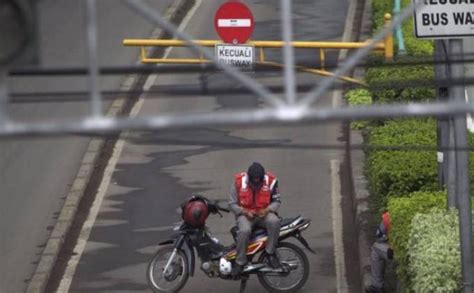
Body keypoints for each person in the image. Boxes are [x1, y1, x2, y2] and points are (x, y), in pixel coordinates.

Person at [229, 162, 282, 276]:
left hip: (264, 213)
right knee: (244, 231)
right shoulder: (238, 182)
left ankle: (270, 253)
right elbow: (232, 204)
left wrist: (267, 210)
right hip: (245, 215)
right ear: (249, 177)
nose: (256, 183)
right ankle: (240, 262)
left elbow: (277, 201)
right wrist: (244, 212)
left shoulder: (271, 181)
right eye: (254, 180)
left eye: (259, 180)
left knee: (275, 222)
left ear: (262, 177)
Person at [365, 211, 393, 293]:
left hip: (396, 254)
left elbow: (379, 238)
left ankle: (377, 286)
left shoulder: (389, 216)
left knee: (376, 247)